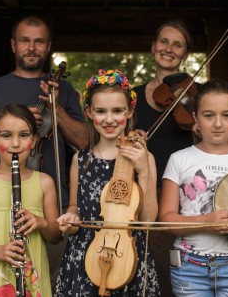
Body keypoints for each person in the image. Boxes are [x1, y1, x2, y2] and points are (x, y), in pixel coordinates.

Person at [158, 79, 228, 296]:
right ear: (195, 117)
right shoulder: (179, 159)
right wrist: (207, 222)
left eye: (227, 115)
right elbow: (166, 220)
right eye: (209, 115)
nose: (218, 123)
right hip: (189, 267)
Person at [0, 15, 88, 208]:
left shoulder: (63, 88)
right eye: (25, 40)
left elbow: (84, 142)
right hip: (0, 198)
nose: (31, 48)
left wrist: (57, 109)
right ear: (14, 45)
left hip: (54, 200)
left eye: (39, 41)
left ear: (48, 47)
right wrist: (14, 122)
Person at [56, 69, 160, 296]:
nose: (109, 119)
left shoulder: (144, 157)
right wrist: (71, 218)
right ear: (89, 112)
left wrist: (142, 172)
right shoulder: (80, 159)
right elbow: (75, 207)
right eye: (101, 111)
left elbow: (148, 221)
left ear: (130, 111)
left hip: (128, 257)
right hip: (84, 256)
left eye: (117, 111)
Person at [0, 103, 61, 296]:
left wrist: (40, 222)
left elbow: (55, 236)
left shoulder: (45, 182)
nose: (15, 144)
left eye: (24, 135)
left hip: (32, 278)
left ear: (34, 139)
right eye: (6, 135)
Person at [133, 19, 195, 296]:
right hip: (142, 193)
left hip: (183, 194)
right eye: (164, 42)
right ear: (153, 47)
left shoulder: (196, 95)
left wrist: (200, 126)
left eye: (177, 44)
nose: (169, 49)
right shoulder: (132, 96)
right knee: (144, 270)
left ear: (185, 55)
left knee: (177, 273)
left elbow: (226, 139)